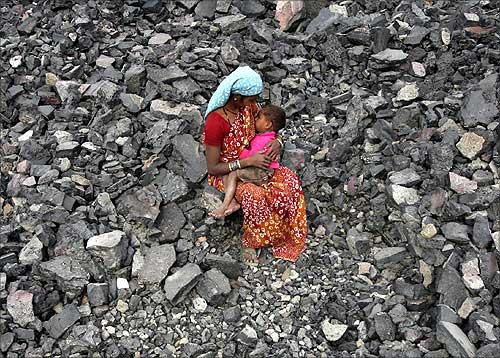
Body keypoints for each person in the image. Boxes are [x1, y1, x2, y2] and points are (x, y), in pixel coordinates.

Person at [203, 66, 307, 265]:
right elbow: (213, 168)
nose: (254, 105)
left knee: (290, 181)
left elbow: (270, 125)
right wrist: (247, 162)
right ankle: (254, 239)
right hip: (229, 171)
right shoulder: (216, 122)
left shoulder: (248, 108)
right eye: (250, 100)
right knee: (254, 195)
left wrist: (278, 142)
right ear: (236, 97)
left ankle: (283, 233)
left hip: (256, 164)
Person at [210, 104, 286, 219]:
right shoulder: (267, 136)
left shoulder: (265, 140)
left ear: (267, 124)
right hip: (259, 169)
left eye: (258, 118)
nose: (255, 119)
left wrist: (236, 156)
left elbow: (250, 156)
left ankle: (225, 205)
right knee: (227, 174)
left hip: (261, 172)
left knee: (232, 174)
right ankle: (231, 202)